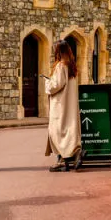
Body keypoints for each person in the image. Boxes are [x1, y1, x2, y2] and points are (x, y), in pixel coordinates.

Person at [45, 40, 81, 171]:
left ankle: (70, 155)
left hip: (60, 104)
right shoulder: (72, 66)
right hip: (69, 103)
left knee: (56, 131)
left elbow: (56, 85)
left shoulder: (61, 66)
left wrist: (47, 83)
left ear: (59, 52)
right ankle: (64, 159)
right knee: (67, 130)